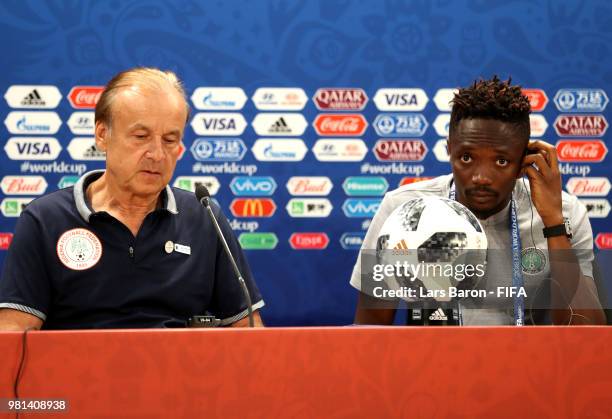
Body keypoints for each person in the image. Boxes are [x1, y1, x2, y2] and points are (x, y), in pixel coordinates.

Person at [0, 67, 264, 330]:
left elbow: (248, 332)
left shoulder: (204, 217)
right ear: (102, 135)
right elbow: (14, 335)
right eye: (141, 137)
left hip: (181, 369)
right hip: (80, 368)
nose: (157, 154)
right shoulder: (46, 219)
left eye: (170, 140)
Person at [351, 76, 605, 326]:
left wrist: (554, 224)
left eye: (501, 161)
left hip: (528, 366)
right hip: (432, 364)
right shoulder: (402, 210)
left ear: (523, 162)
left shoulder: (566, 212)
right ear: (449, 150)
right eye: (466, 158)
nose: (481, 177)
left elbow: (587, 334)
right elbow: (368, 332)